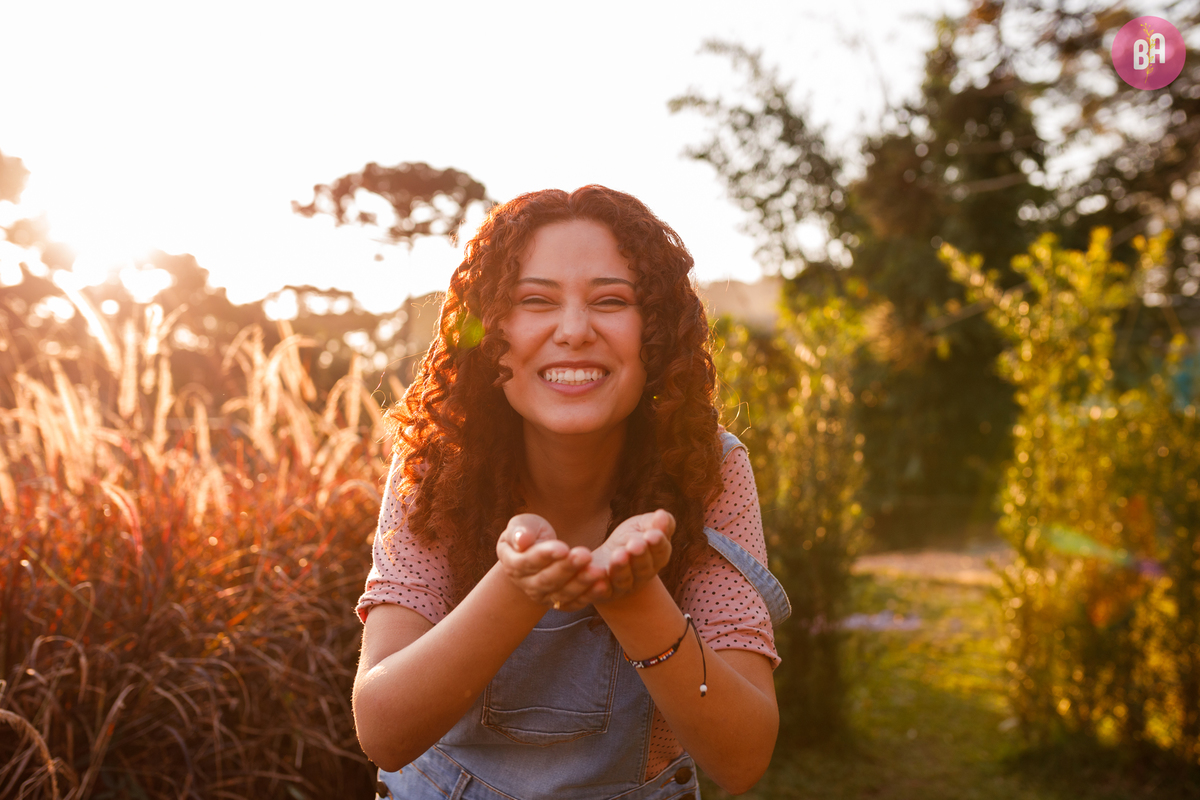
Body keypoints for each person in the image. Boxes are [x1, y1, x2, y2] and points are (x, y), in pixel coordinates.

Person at [353, 185, 790, 799]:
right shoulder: (437, 463)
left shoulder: (707, 470)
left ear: (655, 331)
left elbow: (742, 758)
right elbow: (382, 729)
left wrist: (635, 598)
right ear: (493, 330)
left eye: (611, 301)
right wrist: (517, 586)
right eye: (536, 300)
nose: (574, 330)